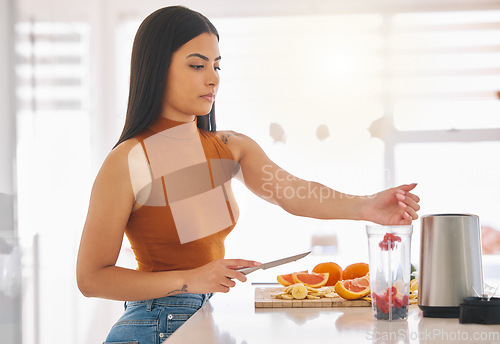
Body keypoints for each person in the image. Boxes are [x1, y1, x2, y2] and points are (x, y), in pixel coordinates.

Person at [76, 5, 420, 343]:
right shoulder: (129, 160)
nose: (213, 78)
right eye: (197, 65)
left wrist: (366, 205)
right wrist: (191, 279)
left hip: (202, 315)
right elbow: (91, 278)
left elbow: (293, 191)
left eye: (217, 65)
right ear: (156, 69)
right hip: (152, 325)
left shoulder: (230, 147)